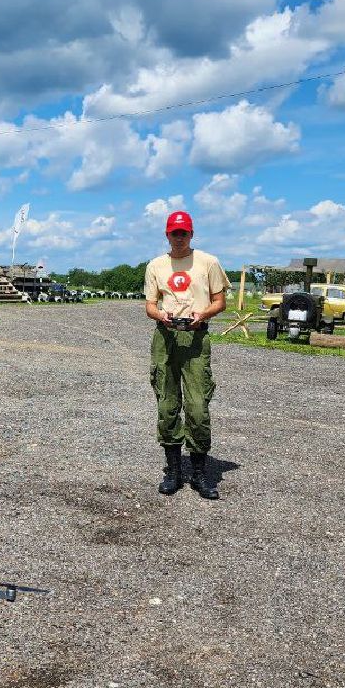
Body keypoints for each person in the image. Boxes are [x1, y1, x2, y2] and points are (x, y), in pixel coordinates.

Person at [143, 210, 229, 500]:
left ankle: (200, 473)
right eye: (174, 233)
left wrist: (202, 313)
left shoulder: (208, 262)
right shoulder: (156, 265)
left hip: (196, 336)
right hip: (165, 336)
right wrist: (162, 315)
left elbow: (220, 302)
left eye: (184, 232)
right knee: (167, 405)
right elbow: (150, 306)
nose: (179, 237)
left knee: (197, 406)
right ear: (167, 234)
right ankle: (174, 470)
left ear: (191, 234)